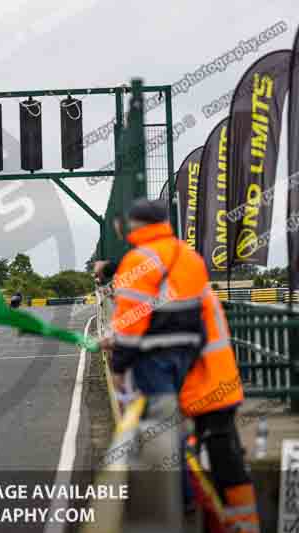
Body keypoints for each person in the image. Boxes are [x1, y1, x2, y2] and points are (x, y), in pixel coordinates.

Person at [100, 198, 259, 532]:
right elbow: (171, 305)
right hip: (206, 368)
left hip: (182, 370)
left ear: (135, 224)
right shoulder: (189, 258)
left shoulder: (139, 259)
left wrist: (118, 362)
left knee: (168, 439)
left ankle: (189, 508)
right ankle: (237, 521)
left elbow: (135, 318)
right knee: (221, 450)